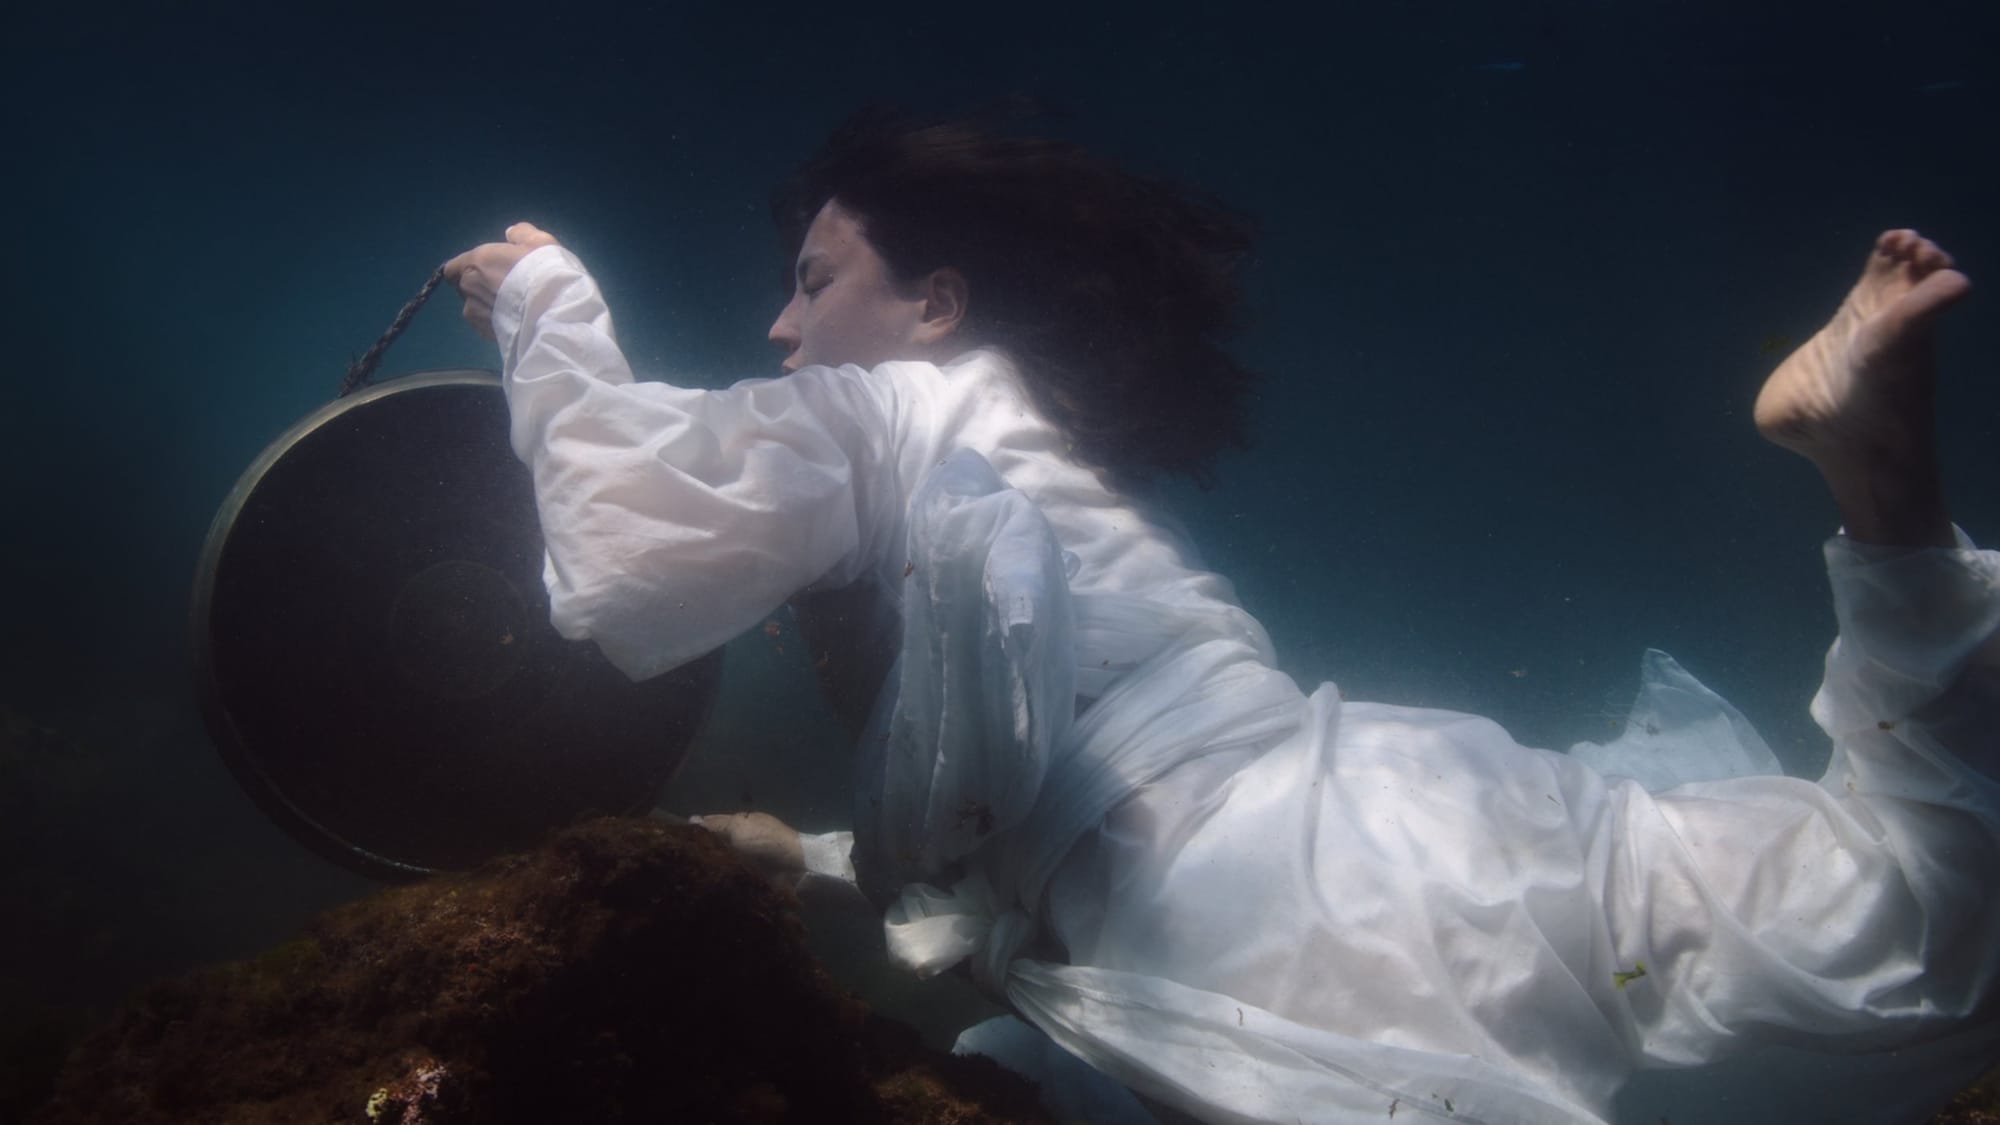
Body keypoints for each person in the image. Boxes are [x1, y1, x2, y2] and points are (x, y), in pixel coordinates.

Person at [444, 112, 1999, 1124]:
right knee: (1905, 926)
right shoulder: (1031, 461)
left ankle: (1883, 479)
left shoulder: (908, 409)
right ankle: (1889, 491)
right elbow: (1057, 804)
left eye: (815, 277)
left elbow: (626, 556)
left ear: (935, 308)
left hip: (1268, 896)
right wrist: (806, 856)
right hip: (1380, 821)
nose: (781, 326)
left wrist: (545, 305)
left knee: (1926, 933)